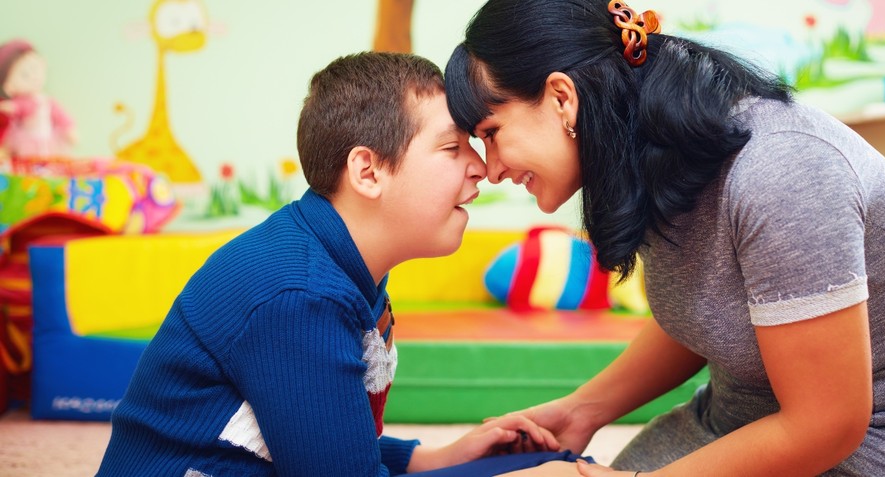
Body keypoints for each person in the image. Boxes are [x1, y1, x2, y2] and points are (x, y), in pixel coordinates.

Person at [443, 0, 885, 475]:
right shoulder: (652, 151)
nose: (490, 168)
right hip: (737, 420)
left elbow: (828, 424)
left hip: (873, 444)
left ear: (563, 97)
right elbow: (712, 306)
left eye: (492, 132)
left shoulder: (781, 169)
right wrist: (583, 410)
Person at [97, 51, 580, 476]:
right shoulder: (300, 295)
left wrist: (442, 456)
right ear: (368, 171)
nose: (481, 167)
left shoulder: (339, 265)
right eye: (452, 148)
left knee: (545, 463)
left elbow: (321, 438)